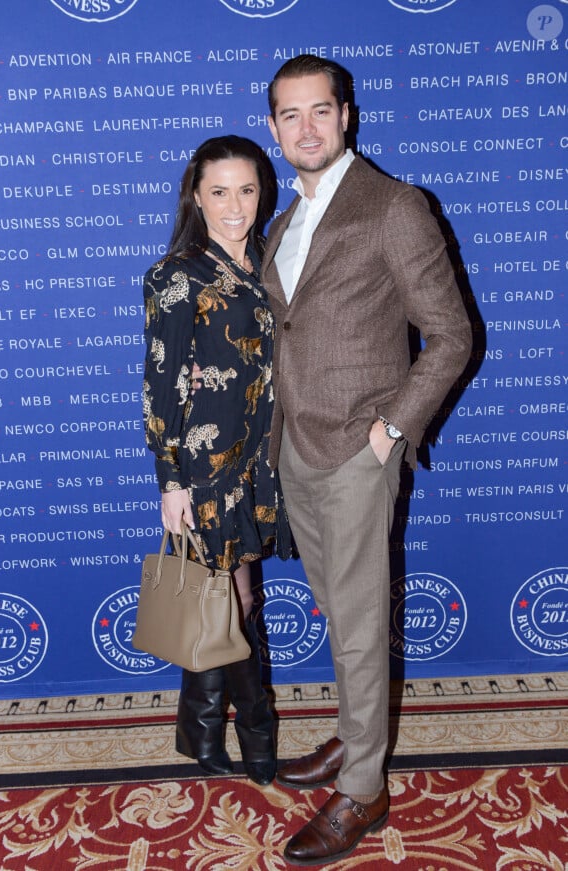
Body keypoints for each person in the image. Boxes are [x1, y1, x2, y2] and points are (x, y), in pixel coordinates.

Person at [262, 55, 472, 864]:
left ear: (346, 116)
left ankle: (363, 792)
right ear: (275, 126)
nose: (306, 128)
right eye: (290, 115)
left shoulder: (393, 206)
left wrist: (388, 432)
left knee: (355, 628)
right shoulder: (284, 219)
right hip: (295, 448)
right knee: (340, 613)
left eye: (321, 111)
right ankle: (357, 739)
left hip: (357, 449)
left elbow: (452, 335)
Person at [142, 135, 287, 787]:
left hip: (269, 456)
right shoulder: (177, 274)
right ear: (196, 196)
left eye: (248, 189)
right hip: (205, 466)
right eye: (220, 191)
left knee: (231, 596)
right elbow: (160, 383)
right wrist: (169, 478)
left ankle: (199, 725)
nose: (235, 205)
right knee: (228, 592)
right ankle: (257, 729)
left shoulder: (277, 261)